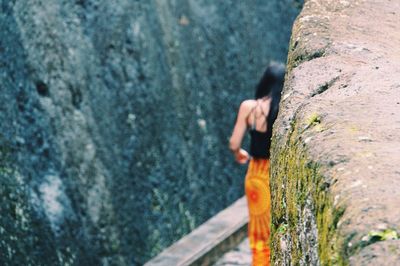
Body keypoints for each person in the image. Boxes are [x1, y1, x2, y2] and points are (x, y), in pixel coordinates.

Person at [229, 62, 285, 266]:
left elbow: (234, 143)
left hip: (256, 175)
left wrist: (238, 153)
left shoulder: (249, 107)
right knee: (277, 228)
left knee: (259, 231)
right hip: (278, 176)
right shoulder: (284, 110)